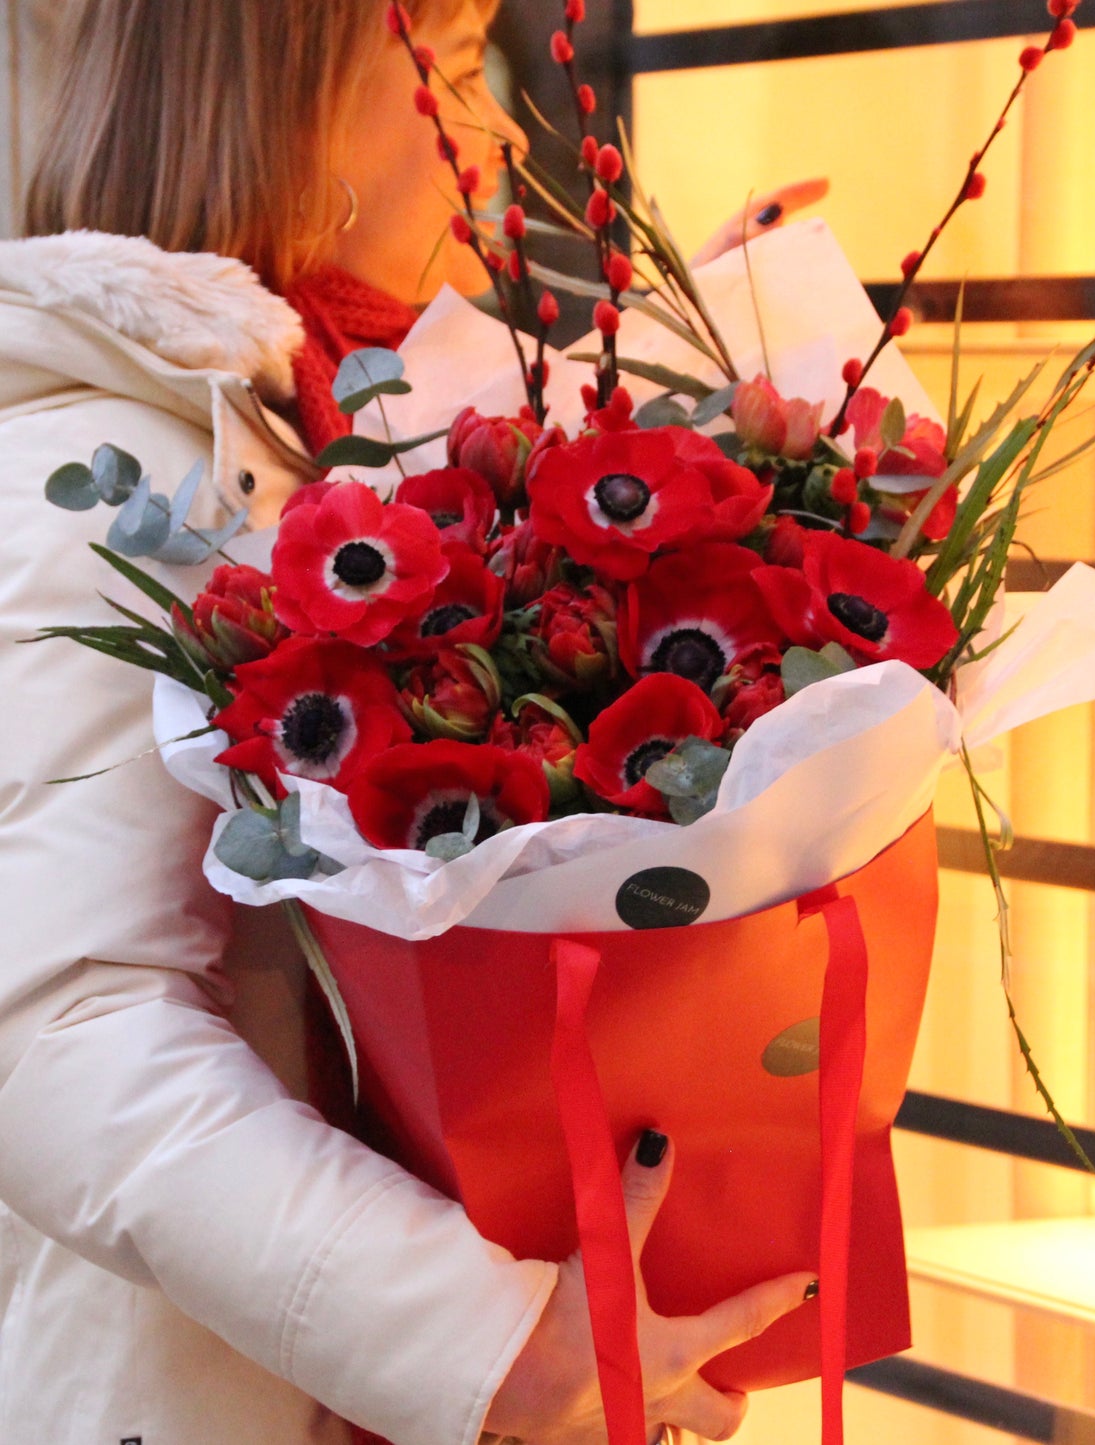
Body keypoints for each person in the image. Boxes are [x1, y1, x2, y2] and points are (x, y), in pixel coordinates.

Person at [0, 2, 822, 1441]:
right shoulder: (100, 458)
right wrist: (487, 1343)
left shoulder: (356, 416)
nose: (496, 129)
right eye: (444, 69)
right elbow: (55, 1030)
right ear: (284, 112)